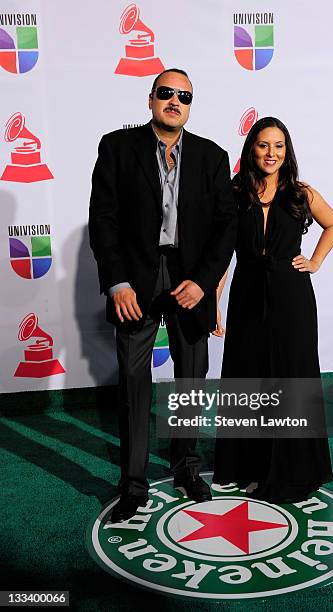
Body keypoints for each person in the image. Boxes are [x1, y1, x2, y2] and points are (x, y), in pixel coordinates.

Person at [88, 68, 237, 522]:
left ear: (191, 105)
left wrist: (205, 280)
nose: (175, 101)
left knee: (191, 377)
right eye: (167, 93)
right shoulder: (117, 147)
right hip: (136, 278)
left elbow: (226, 225)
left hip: (190, 277)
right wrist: (117, 282)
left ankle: (187, 467)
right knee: (134, 382)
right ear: (151, 98)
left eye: (184, 95)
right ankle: (132, 485)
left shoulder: (212, 156)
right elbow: (103, 219)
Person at [212, 116, 333, 503]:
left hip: (292, 299)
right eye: (264, 145)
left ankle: (292, 468)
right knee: (249, 378)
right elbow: (221, 256)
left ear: (288, 151)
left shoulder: (301, 193)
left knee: (289, 377)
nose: (272, 153)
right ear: (252, 148)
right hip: (248, 296)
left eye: (279, 145)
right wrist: (214, 303)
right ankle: (250, 465)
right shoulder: (234, 192)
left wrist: (315, 261)